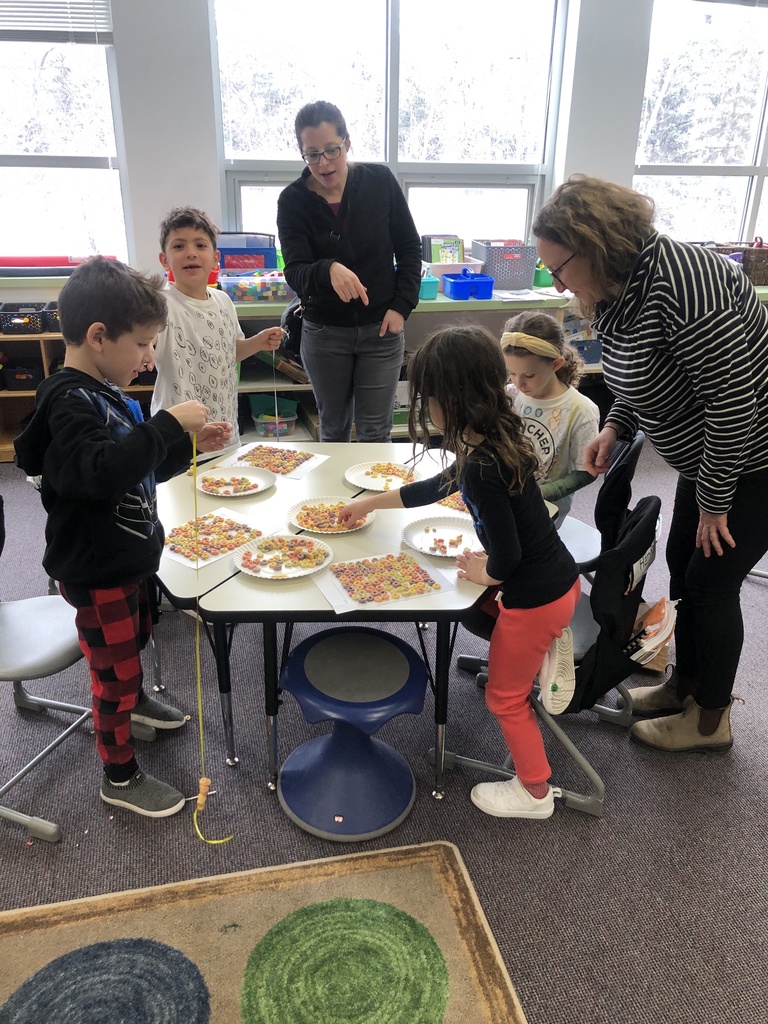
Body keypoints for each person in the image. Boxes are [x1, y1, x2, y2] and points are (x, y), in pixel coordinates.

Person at [533, 173, 768, 753]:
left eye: (560, 269)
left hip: (753, 459)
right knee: (683, 565)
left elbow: (732, 400)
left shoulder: (687, 283)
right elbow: (642, 372)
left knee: (712, 584)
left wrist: (715, 503)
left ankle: (711, 721)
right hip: (709, 456)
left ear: (594, 245)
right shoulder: (622, 288)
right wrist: (616, 425)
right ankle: (684, 686)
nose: (559, 285)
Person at [14, 257, 233, 818]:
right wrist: (166, 425)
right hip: (97, 570)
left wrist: (188, 447)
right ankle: (120, 774)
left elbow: (135, 470)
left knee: (133, 648)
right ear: (97, 337)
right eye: (142, 344)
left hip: (130, 559)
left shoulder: (108, 391)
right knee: (112, 677)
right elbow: (102, 470)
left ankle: (135, 705)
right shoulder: (67, 402)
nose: (148, 357)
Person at [337, 325, 581, 820]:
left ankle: (534, 792)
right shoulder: (491, 437)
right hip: (558, 581)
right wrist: (372, 505)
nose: (424, 407)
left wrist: (485, 572)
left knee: (504, 699)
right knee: (479, 617)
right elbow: (436, 484)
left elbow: (508, 559)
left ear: (448, 400)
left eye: (426, 396)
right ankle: (544, 648)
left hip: (533, 598)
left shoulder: (482, 468)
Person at [277, 100, 422, 443]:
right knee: (333, 429)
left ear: (347, 143)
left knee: (375, 431)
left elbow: (410, 249)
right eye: (312, 154)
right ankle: (336, 501)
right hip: (324, 333)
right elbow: (295, 271)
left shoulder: (380, 182)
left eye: (331, 150)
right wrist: (327, 269)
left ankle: (374, 500)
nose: (323, 163)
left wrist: (401, 307)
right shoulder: (292, 201)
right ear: (302, 154)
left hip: (382, 331)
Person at [151, 206, 283, 448]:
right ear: (164, 259)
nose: (190, 253)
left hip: (224, 434)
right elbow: (146, 347)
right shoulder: (159, 305)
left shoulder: (223, 301)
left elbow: (229, 353)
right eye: (179, 246)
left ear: (215, 258)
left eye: (200, 245)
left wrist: (258, 342)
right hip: (179, 442)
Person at [501, 310, 599, 522]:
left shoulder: (580, 410)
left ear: (556, 364)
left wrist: (541, 493)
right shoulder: (510, 394)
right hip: (504, 497)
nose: (519, 383)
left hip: (544, 510)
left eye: (529, 375)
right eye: (512, 373)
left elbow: (587, 471)